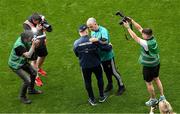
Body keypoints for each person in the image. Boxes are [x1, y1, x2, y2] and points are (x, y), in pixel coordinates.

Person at [123, 17, 166, 106]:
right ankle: (162, 97)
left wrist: (128, 28)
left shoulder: (145, 43)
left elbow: (135, 37)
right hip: (156, 63)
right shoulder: (152, 38)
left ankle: (153, 99)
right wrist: (132, 21)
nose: (142, 35)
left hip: (149, 66)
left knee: (149, 83)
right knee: (157, 78)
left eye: (143, 35)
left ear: (146, 36)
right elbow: (140, 28)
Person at [73, 24, 111, 106]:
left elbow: (77, 54)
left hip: (84, 66)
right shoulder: (93, 41)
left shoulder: (76, 43)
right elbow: (105, 48)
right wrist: (110, 46)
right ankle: (101, 96)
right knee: (100, 79)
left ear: (80, 33)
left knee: (87, 82)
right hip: (96, 64)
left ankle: (92, 99)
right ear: (86, 31)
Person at [86, 17, 125, 95]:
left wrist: (96, 40)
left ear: (95, 24)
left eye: (91, 26)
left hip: (108, 56)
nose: (90, 29)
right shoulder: (93, 32)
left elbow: (105, 41)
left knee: (114, 71)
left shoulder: (103, 30)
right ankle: (110, 84)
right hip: (100, 56)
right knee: (106, 71)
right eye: (89, 27)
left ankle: (121, 86)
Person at [8, 31, 43, 104]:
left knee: (33, 72)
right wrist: (33, 45)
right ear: (25, 39)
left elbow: (31, 47)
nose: (32, 39)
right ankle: (22, 97)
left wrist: (36, 44)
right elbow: (28, 55)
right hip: (16, 65)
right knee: (27, 80)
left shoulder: (24, 39)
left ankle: (31, 90)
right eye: (30, 38)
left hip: (22, 62)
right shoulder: (18, 45)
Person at [23, 13, 52, 86]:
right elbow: (29, 36)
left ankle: (38, 69)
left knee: (43, 55)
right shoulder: (26, 24)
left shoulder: (41, 19)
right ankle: (36, 77)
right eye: (37, 22)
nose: (39, 22)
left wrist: (46, 27)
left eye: (40, 21)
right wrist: (37, 29)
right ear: (33, 20)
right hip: (32, 44)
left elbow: (49, 29)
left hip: (41, 42)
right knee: (34, 60)